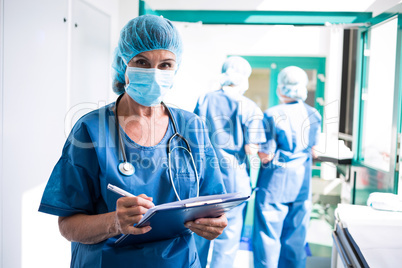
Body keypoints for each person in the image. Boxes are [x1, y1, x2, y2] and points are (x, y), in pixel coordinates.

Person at [38, 14, 228, 268]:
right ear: (123, 64)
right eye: (142, 62)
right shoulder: (91, 130)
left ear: (176, 67)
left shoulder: (191, 127)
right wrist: (114, 222)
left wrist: (214, 224)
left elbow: (212, 205)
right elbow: (68, 225)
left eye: (166, 65)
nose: (155, 73)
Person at [193, 56, 266, 267]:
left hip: (204, 176)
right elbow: (251, 149)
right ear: (244, 77)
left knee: (200, 228)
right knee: (228, 232)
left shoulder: (204, 99)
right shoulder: (249, 107)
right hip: (234, 179)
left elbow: (193, 137)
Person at [253, 66, 322, 268]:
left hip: (275, 184)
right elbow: (315, 151)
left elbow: (266, 156)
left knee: (268, 238)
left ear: (280, 88)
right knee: (296, 239)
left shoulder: (272, 114)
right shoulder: (314, 114)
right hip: (301, 185)